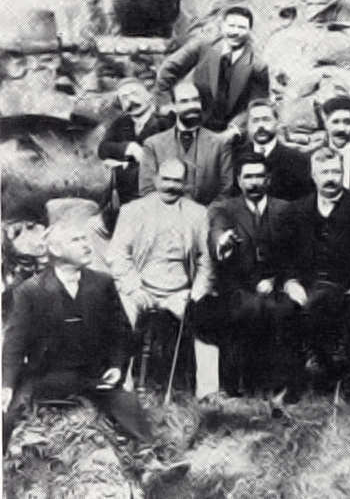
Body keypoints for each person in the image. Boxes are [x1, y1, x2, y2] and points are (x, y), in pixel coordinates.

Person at [3, 199, 151, 448]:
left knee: (128, 406)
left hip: (91, 375)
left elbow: (120, 333)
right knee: (7, 414)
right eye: (76, 240)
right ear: (56, 250)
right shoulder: (30, 290)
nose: (86, 245)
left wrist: (116, 366)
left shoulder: (102, 283)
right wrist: (6, 385)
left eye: (85, 239)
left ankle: (149, 458)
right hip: (45, 376)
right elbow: (14, 344)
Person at [108, 159, 216, 396]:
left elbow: (206, 260)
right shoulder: (132, 211)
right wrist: (135, 289)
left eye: (177, 181)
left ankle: (208, 391)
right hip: (140, 288)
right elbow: (117, 255)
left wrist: (196, 293)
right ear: (156, 179)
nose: (170, 186)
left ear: (185, 184)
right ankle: (120, 385)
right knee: (122, 316)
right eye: (166, 179)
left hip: (180, 292)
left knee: (205, 318)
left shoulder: (198, 213)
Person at [202, 151, 305, 397]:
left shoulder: (285, 209)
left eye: (259, 176)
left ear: (268, 179)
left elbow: (294, 252)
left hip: (276, 284)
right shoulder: (225, 209)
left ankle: (280, 386)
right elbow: (217, 232)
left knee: (284, 310)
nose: (254, 182)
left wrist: (279, 280)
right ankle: (237, 384)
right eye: (248, 177)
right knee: (246, 309)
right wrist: (223, 242)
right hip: (238, 286)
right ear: (239, 180)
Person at [291, 147, 350, 386]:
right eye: (324, 172)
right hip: (310, 283)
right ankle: (318, 367)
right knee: (301, 307)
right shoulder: (298, 210)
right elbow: (285, 254)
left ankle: (348, 376)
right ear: (313, 176)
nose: (331, 178)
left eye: (336, 172)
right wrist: (290, 282)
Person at [155, 6, 269, 140]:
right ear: (222, 26)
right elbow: (168, 69)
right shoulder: (203, 46)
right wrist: (166, 105)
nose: (235, 32)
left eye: (241, 27)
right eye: (231, 26)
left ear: (249, 31)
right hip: (193, 121)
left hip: (229, 131)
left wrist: (233, 130)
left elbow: (257, 104)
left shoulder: (257, 65)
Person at [139, 81, 233, 205]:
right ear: (173, 106)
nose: (191, 106)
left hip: (208, 214)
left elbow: (226, 191)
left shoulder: (220, 144)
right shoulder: (153, 145)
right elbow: (147, 190)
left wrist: (204, 213)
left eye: (195, 100)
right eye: (184, 101)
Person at [98, 78, 172, 204]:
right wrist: (129, 148)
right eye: (124, 98)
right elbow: (103, 148)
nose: (131, 101)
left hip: (156, 196)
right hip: (124, 197)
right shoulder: (121, 123)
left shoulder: (166, 122)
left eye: (135, 94)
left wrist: (124, 163)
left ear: (149, 96)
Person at [238, 98, 312, 200]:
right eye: (255, 121)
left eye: (266, 119)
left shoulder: (298, 160)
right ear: (247, 126)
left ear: (277, 122)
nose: (260, 125)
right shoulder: (236, 157)